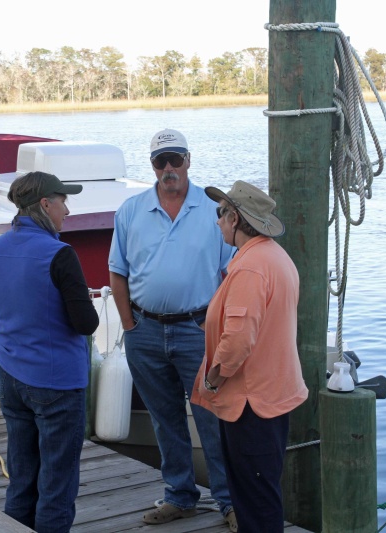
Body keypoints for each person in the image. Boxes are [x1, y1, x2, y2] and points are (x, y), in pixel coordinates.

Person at [108, 128, 237, 530]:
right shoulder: (130, 210)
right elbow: (117, 273)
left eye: (175, 159)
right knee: (165, 419)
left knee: (212, 420)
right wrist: (130, 325)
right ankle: (180, 496)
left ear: (188, 160)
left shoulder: (215, 210)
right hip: (145, 331)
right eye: (160, 162)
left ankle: (230, 502)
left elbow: (231, 274)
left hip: (198, 331)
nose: (168, 169)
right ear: (152, 166)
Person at [0, 171, 99, 533]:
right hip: (58, 382)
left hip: (13, 377)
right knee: (57, 484)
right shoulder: (59, 254)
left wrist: (15, 343)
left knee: (22, 474)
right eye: (63, 201)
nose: (67, 211)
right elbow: (86, 323)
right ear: (45, 204)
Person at [191, 181, 309, 532]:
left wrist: (212, 379)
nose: (217, 222)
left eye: (221, 214)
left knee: (254, 497)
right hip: (271, 395)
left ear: (236, 218)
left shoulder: (250, 267)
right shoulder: (274, 256)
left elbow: (238, 339)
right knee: (262, 491)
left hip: (251, 403)